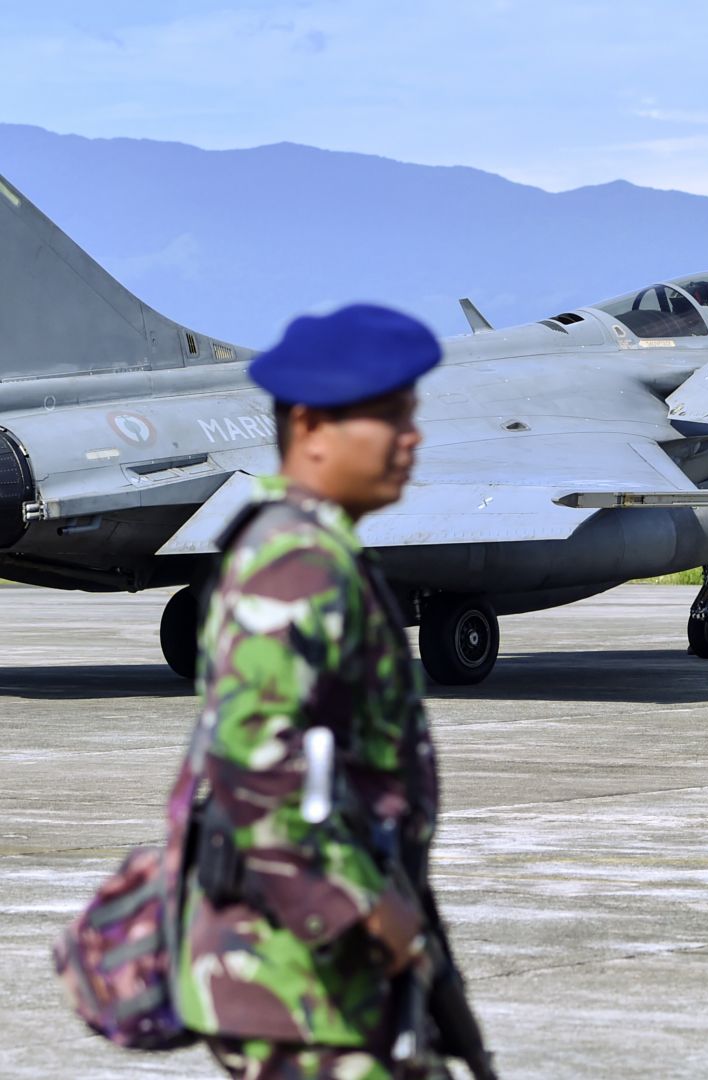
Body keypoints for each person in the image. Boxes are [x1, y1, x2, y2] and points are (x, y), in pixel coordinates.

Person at [166, 304, 479, 1080]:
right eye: (390, 418)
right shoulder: (294, 564)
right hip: (297, 979)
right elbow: (254, 772)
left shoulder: (313, 549)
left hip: (319, 964)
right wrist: (368, 910)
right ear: (310, 427)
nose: (414, 438)